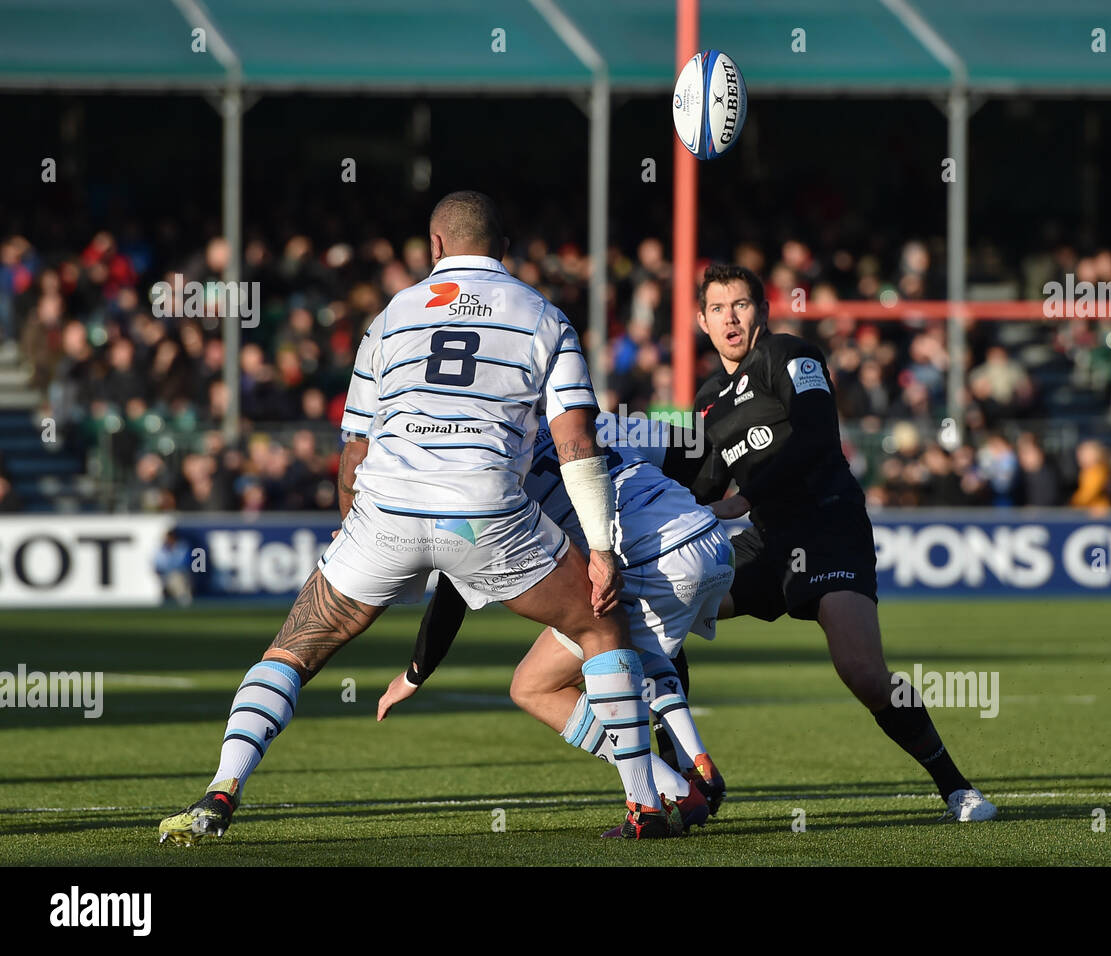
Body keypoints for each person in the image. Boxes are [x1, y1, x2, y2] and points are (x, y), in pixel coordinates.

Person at [159, 190, 676, 844]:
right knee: (600, 623)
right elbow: (575, 441)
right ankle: (645, 805)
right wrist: (600, 547)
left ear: (434, 246)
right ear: (504, 249)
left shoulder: (390, 317)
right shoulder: (544, 316)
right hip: (483, 510)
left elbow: (355, 451)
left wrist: (353, 529)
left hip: (388, 508)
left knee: (291, 649)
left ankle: (222, 789)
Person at [678, 263, 995, 823]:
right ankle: (686, 779)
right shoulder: (707, 398)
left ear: (762, 310)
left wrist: (743, 498)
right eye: (718, 309)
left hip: (826, 526)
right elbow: (700, 485)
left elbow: (816, 437)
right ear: (702, 321)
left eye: (741, 305)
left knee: (863, 673)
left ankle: (956, 788)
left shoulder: (789, 354)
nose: (731, 318)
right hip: (766, 542)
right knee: (668, 603)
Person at [366, 413, 733, 833]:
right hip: (710, 540)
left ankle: (672, 788)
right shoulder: (579, 417)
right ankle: (691, 767)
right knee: (637, 644)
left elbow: (452, 587)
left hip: (652, 559)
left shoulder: (481, 468)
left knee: (535, 686)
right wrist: (697, 505)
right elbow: (694, 444)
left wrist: (416, 671)